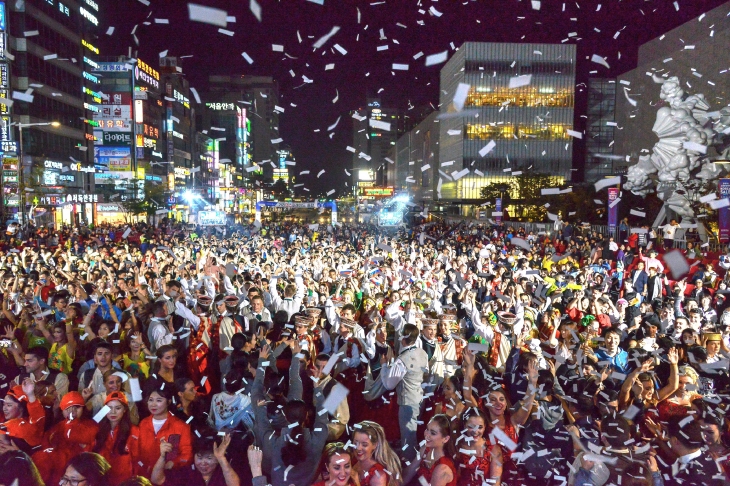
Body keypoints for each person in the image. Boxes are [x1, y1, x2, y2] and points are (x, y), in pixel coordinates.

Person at [381, 323, 428, 460]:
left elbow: (389, 384)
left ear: (402, 339)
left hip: (408, 402)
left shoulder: (403, 360)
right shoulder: (422, 353)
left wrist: (384, 365)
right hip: (420, 398)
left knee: (408, 438)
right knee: (414, 435)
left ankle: (409, 468)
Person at [136, 385, 193, 477]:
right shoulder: (143, 423)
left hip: (168, 476)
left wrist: (174, 463)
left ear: (168, 402)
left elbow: (187, 454)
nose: (153, 404)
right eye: (151, 400)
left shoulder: (180, 426)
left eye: (159, 400)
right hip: (144, 476)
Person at [151, 433, 240, 486]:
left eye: (209, 458)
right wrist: (162, 457)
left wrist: (221, 458)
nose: (203, 463)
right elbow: (157, 480)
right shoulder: (187, 472)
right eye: (199, 457)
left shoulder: (224, 472)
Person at [402, 415, 457, 486]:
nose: (426, 435)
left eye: (433, 433)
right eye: (427, 429)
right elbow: (408, 474)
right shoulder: (425, 449)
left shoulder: (442, 468)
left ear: (445, 439)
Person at [352, 421, 403, 486]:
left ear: (375, 445)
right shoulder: (352, 460)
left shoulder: (378, 475)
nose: (358, 448)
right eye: (355, 443)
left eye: (364, 445)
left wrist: (357, 484)